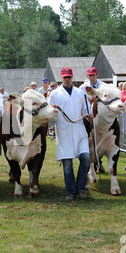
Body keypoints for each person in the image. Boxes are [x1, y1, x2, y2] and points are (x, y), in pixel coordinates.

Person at [48, 67, 93, 201]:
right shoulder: (55, 94)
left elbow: (86, 109)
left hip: (79, 130)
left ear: (72, 77)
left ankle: (80, 188)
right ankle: (71, 191)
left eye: (69, 77)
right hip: (64, 131)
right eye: (65, 77)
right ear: (61, 78)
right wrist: (52, 110)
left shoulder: (80, 93)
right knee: (67, 163)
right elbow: (48, 112)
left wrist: (90, 115)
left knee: (85, 158)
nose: (67, 79)